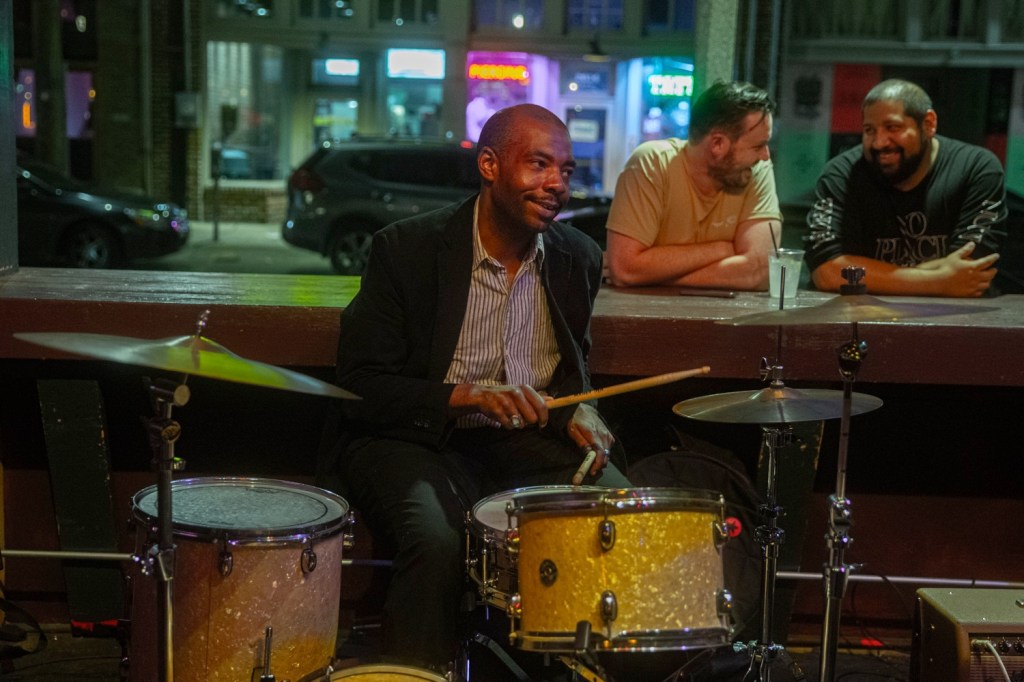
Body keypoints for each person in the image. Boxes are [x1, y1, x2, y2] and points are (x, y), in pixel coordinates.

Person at [317, 103, 632, 673]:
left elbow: (570, 371)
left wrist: (577, 409)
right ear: (489, 165)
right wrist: (465, 394)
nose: (557, 184)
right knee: (436, 546)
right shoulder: (407, 249)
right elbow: (361, 386)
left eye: (566, 170)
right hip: (414, 437)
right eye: (539, 165)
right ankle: (416, 672)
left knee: (616, 512)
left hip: (522, 440)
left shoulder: (577, 257)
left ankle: (579, 668)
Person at [805, 78, 1008, 297]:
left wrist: (867, 274)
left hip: (956, 321)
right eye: (869, 130)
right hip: (863, 322)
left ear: (929, 124)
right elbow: (827, 271)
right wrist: (935, 282)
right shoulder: (841, 174)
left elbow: (969, 271)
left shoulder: (977, 169)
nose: (879, 142)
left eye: (893, 127)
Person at [604, 81, 781, 290]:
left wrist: (654, 275)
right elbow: (625, 269)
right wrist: (721, 249)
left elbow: (760, 272)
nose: (765, 155)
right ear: (717, 144)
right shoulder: (653, 163)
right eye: (758, 146)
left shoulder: (754, 170)